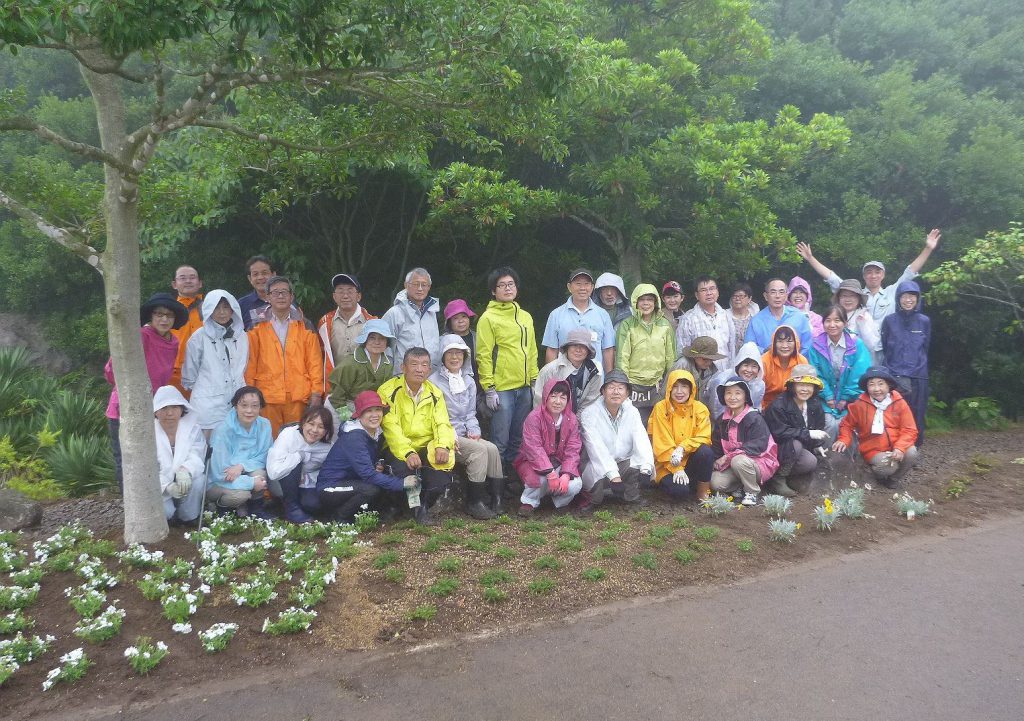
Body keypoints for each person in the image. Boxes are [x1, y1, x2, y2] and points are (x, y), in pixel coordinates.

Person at [105, 292, 188, 491]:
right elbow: (112, 369)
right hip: (126, 406)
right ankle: (130, 502)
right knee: (126, 458)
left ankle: (157, 498)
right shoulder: (141, 336)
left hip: (154, 409)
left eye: (169, 315)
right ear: (151, 316)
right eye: (159, 314)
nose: (164, 319)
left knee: (152, 457)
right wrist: (132, 391)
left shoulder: (174, 342)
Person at [377, 347, 456, 525]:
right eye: (414, 364)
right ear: (403, 367)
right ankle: (405, 508)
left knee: (440, 477)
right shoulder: (387, 391)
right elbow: (390, 427)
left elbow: (443, 423)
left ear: (429, 369)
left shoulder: (435, 393)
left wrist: (443, 446)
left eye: (424, 365)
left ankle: (422, 508)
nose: (419, 369)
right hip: (397, 448)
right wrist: (407, 452)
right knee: (403, 473)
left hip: (427, 446)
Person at [795, 228, 940, 322]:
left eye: (877, 272)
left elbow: (910, 272)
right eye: (869, 272)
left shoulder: (892, 292)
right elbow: (832, 278)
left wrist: (928, 248)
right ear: (864, 276)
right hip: (859, 349)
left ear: (883, 275)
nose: (873, 276)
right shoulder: (856, 295)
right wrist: (811, 259)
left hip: (885, 348)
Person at [430, 335, 503, 519]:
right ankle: (474, 502)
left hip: (464, 432)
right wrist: (450, 436)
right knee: (479, 450)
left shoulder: (468, 380)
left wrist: (474, 430)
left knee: (492, 449)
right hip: (446, 436)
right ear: (443, 356)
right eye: (450, 353)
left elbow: (470, 412)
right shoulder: (433, 382)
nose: (455, 357)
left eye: (459, 353)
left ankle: (496, 499)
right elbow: (434, 418)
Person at [317, 391, 417, 523]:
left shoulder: (376, 432)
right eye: (368, 411)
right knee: (370, 489)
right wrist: (402, 483)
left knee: (379, 482)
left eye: (378, 409)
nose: (375, 415)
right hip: (330, 487)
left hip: (353, 481)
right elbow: (368, 474)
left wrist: (377, 464)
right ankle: (340, 518)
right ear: (359, 415)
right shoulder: (354, 437)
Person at [476, 267, 538, 476]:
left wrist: (534, 379)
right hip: (501, 389)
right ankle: (495, 485)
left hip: (524, 387)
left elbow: (531, 350)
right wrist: (489, 388)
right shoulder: (488, 318)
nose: (507, 288)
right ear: (493, 291)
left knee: (518, 438)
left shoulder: (525, 316)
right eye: (501, 285)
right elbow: (483, 355)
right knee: (499, 440)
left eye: (510, 284)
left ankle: (512, 480)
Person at [244, 276, 325, 437]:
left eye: (284, 292)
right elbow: (250, 362)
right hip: (266, 396)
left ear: (291, 296)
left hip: (298, 396)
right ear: (267, 297)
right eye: (275, 292)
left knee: (297, 440)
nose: (280, 296)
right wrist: (249, 392)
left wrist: (316, 393)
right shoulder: (255, 325)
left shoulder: (305, 324)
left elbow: (314, 362)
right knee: (268, 441)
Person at [832, 366, 919, 488]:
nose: (877, 389)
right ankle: (875, 474)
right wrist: (844, 439)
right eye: (871, 384)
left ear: (888, 385)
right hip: (873, 449)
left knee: (911, 453)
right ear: (867, 387)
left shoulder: (899, 402)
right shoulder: (860, 404)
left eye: (881, 384)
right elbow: (846, 424)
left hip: (897, 444)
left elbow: (909, 429)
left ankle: (893, 479)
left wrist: (900, 448)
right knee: (888, 467)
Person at [580, 370, 654, 510]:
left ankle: (630, 496)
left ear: (627, 393)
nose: (616, 392)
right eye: (611, 387)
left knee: (638, 464)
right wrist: (614, 476)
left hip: (622, 460)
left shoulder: (632, 411)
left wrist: (646, 468)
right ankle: (592, 499)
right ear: (603, 391)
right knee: (596, 479)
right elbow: (596, 448)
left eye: (620, 388)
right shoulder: (590, 413)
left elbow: (641, 438)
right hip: (595, 463)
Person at [180, 289, 249, 439]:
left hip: (237, 401)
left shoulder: (242, 336)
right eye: (216, 308)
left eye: (225, 307)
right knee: (208, 446)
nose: (222, 312)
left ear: (233, 309)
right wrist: (209, 389)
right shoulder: (198, 337)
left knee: (235, 444)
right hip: (207, 406)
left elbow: (242, 366)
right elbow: (189, 375)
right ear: (208, 310)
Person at [515, 379, 583, 516]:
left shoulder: (572, 419)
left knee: (575, 483)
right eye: (553, 396)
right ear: (546, 397)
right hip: (532, 462)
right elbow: (534, 449)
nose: (558, 401)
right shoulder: (534, 418)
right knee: (538, 480)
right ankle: (529, 502)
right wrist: (550, 473)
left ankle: (559, 502)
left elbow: (573, 449)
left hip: (559, 462)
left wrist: (566, 474)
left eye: (563, 397)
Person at [647, 369, 715, 502]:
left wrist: (683, 447)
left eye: (684, 386)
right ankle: (672, 485)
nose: (679, 391)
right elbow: (661, 443)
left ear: (691, 389)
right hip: (666, 464)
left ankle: (703, 492)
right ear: (669, 388)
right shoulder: (661, 408)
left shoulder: (700, 408)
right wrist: (676, 468)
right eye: (675, 387)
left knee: (706, 452)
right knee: (680, 492)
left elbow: (704, 437)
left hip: (690, 460)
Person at [710, 377, 779, 506]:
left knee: (739, 460)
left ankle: (752, 492)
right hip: (733, 465)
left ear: (745, 396)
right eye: (728, 393)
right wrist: (714, 461)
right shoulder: (722, 420)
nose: (732, 397)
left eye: (738, 393)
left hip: (760, 463)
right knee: (715, 482)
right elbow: (716, 447)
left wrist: (727, 457)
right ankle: (740, 486)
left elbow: (758, 446)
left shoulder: (754, 418)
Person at [764, 365, 831, 497]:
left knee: (810, 462)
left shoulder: (814, 403)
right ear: (792, 386)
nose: (805, 389)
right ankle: (777, 479)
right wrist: (808, 434)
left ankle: (784, 476)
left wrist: (817, 445)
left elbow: (818, 426)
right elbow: (779, 433)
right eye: (801, 385)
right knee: (795, 443)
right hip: (776, 449)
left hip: (797, 449)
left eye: (809, 385)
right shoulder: (779, 405)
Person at [615, 283, 675, 426]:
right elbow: (622, 358)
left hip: (657, 385)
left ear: (656, 302)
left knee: (657, 424)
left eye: (650, 299)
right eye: (642, 299)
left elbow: (671, 357)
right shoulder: (627, 325)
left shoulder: (665, 325)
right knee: (634, 424)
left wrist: (670, 383)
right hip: (633, 385)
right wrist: (624, 385)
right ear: (635, 302)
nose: (646, 303)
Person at [207, 386, 273, 516]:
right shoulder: (223, 430)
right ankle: (222, 508)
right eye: (244, 405)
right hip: (221, 480)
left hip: (241, 471)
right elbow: (219, 473)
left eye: (255, 406)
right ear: (235, 406)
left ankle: (256, 510)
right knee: (241, 495)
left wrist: (241, 466)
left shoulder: (264, 424)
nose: (249, 410)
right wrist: (251, 483)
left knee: (260, 474)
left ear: (260, 407)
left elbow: (265, 455)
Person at [807, 305, 871, 434]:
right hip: (824, 398)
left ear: (845, 323)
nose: (832, 325)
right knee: (828, 424)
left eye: (837, 320)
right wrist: (828, 396)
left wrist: (845, 398)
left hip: (852, 397)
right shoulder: (816, 345)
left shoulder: (856, 344)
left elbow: (860, 374)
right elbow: (815, 374)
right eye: (828, 320)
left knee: (849, 425)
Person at [881, 281, 930, 445]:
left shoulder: (924, 321)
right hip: (894, 374)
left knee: (917, 413)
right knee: (893, 413)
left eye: (912, 296)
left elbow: (925, 347)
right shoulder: (889, 320)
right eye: (904, 296)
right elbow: (886, 346)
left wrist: (918, 368)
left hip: (918, 375)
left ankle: (914, 448)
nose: (908, 300)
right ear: (898, 298)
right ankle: (892, 446)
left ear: (918, 298)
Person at [266, 406, 334, 523]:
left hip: (306, 483)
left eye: (321, 427)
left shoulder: (327, 447)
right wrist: (300, 456)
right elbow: (274, 472)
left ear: (327, 430)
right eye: (311, 424)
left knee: (313, 505)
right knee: (295, 460)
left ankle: (291, 505)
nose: (314, 430)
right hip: (279, 481)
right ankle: (291, 508)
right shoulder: (289, 435)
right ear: (303, 423)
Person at [542, 268, 616, 374]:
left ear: (592, 287)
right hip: (563, 378)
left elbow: (607, 350)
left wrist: (609, 378)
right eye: (578, 284)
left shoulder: (603, 315)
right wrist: (550, 379)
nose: (582, 288)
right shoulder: (556, 315)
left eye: (586, 284)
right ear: (569, 287)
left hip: (595, 378)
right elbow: (552, 349)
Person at [152, 386, 207, 526]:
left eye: (175, 407)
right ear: (156, 410)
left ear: (182, 409)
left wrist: (185, 470)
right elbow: (146, 469)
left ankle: (188, 517)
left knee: (199, 480)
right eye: (164, 408)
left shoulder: (193, 429)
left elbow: (197, 453)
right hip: (158, 486)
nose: (170, 413)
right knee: (166, 513)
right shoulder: (148, 432)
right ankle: (170, 518)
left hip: (183, 480)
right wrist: (166, 486)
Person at [326, 319, 396, 425]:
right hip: (341, 405)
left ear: (387, 342)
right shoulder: (350, 364)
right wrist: (348, 419)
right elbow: (336, 396)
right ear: (365, 340)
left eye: (382, 338)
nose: (377, 342)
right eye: (372, 338)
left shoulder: (387, 365)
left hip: (369, 409)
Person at [318, 273, 377, 394]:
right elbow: (319, 357)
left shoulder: (372, 323)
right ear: (334, 296)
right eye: (340, 291)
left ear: (359, 296)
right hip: (336, 389)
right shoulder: (325, 323)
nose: (345, 296)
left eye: (350, 291)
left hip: (365, 389)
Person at [382, 267, 441, 373]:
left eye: (424, 285)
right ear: (406, 285)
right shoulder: (394, 313)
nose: (420, 288)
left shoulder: (432, 312)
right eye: (415, 284)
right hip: (403, 375)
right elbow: (385, 349)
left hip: (430, 376)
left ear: (429, 287)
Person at [534, 328, 602, 416]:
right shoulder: (549, 370)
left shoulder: (594, 372)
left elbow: (590, 405)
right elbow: (539, 402)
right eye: (574, 345)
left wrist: (574, 422)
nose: (578, 350)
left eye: (583, 346)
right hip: (550, 419)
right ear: (567, 348)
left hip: (582, 419)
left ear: (588, 351)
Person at [677, 276, 736, 372]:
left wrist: (731, 372)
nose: (709, 293)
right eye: (703, 290)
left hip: (725, 372)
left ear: (717, 292)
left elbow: (732, 347)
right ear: (697, 295)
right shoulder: (688, 319)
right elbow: (683, 350)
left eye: (712, 289)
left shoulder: (726, 315)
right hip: (700, 374)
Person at [745, 278, 813, 352]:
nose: (777, 296)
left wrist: (796, 358)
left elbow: (807, 345)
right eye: (773, 292)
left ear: (786, 296)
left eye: (781, 292)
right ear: (766, 296)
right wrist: (765, 351)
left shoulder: (799, 316)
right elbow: (749, 347)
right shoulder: (756, 321)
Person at [704, 342, 765, 420]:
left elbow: (755, 409)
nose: (749, 370)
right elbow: (715, 410)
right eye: (746, 365)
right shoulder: (722, 381)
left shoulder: (759, 385)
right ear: (738, 365)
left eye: (754, 366)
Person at [169, 265, 204, 390]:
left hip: (205, 371)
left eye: (192, 277)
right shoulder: (167, 310)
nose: (188, 281)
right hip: (175, 373)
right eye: (182, 278)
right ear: (174, 284)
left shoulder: (210, 308)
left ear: (200, 283)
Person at [831, 279, 881, 362]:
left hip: (860, 362)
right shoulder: (833, 315)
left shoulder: (865, 316)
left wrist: (863, 325)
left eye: (852, 296)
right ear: (839, 298)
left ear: (859, 298)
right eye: (844, 296)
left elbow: (873, 345)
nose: (848, 299)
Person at [761, 325, 809, 410]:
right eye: (780, 341)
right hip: (768, 406)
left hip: (794, 405)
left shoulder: (802, 361)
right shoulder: (764, 361)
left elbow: (806, 388)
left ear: (796, 343)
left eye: (789, 341)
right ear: (774, 343)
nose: (784, 346)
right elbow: (759, 392)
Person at [672, 336, 725, 403]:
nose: (708, 362)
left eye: (711, 359)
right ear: (694, 356)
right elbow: (667, 391)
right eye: (704, 359)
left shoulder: (712, 369)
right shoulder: (682, 365)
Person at [443, 299, 479, 377]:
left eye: (464, 316)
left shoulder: (478, 337)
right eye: (455, 318)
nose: (461, 321)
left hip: (478, 380)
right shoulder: (444, 341)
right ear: (450, 322)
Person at [238, 255, 275, 331]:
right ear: (249, 278)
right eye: (255, 274)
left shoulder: (285, 300)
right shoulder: (241, 305)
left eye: (264, 273)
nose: (260, 277)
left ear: (273, 275)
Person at [728, 282, 760, 351]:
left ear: (749, 298)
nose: (737, 299)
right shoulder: (724, 316)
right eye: (734, 296)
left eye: (741, 296)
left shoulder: (756, 317)